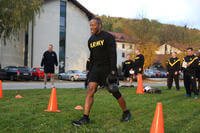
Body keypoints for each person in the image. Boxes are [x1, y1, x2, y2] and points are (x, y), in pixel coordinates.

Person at [72, 17, 131, 126]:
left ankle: (126, 112)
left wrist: (113, 72)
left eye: (93, 25)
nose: (91, 27)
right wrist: (89, 72)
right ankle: (85, 118)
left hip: (107, 68)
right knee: (90, 90)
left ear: (99, 25)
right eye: (90, 25)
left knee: (114, 91)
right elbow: (92, 57)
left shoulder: (108, 37)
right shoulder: (90, 40)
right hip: (95, 68)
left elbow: (113, 55)